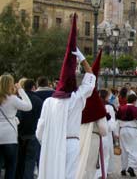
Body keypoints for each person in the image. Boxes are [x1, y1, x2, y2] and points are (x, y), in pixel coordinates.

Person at [36, 14, 96, 179]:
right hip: (71, 142)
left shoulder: (48, 102)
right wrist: (83, 60)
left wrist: (48, 141)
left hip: (53, 142)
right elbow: (91, 80)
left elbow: (40, 131)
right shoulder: (76, 98)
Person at [76, 50, 108, 179]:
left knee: (77, 164)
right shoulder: (97, 103)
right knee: (88, 168)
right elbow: (103, 129)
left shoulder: (77, 98)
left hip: (77, 135)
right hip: (93, 137)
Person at [0, 74, 32, 179]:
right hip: (10, 137)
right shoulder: (12, 99)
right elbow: (28, 106)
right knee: (11, 166)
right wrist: (21, 90)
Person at [16, 79, 43, 179]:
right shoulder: (39, 101)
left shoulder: (19, 99)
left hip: (20, 135)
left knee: (19, 161)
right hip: (33, 134)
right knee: (30, 162)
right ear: (33, 87)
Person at [116, 94, 137, 177]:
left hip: (122, 130)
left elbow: (117, 121)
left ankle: (123, 168)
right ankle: (132, 167)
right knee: (134, 149)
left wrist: (116, 133)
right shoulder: (135, 109)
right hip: (132, 130)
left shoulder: (121, 108)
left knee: (124, 150)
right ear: (134, 101)